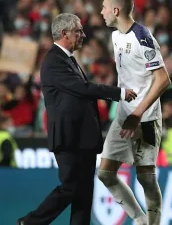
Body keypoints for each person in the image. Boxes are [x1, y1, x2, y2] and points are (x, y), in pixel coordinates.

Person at [18, 13, 137, 225]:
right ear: (65, 34)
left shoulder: (68, 59)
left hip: (83, 139)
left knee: (83, 194)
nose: (82, 35)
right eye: (78, 31)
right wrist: (118, 93)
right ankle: (29, 223)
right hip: (68, 137)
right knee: (70, 187)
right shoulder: (54, 60)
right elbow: (82, 89)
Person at [98, 0, 171, 225]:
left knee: (146, 178)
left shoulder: (143, 37)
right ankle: (140, 219)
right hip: (123, 114)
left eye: (104, 8)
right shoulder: (115, 36)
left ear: (116, 11)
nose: (101, 12)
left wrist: (138, 115)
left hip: (146, 118)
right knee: (105, 173)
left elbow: (163, 79)